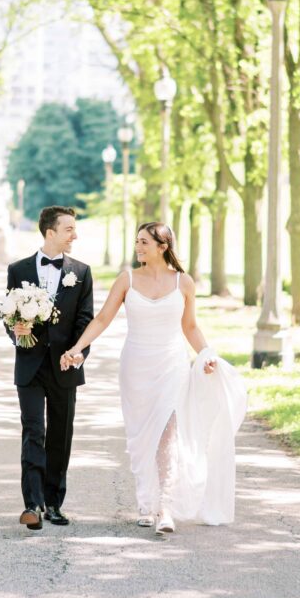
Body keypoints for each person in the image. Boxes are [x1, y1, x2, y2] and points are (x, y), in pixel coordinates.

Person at [61, 221, 247, 535]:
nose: (138, 247)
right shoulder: (127, 279)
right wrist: (77, 348)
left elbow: (190, 326)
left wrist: (206, 353)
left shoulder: (183, 282)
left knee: (167, 437)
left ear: (163, 246)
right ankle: (146, 503)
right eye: (137, 241)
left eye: (144, 242)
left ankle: (165, 507)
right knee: (140, 438)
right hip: (136, 367)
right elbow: (103, 318)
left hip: (172, 365)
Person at [6, 206, 94, 531]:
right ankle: (32, 505)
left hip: (65, 365)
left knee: (60, 433)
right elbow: (10, 314)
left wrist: (78, 353)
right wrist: (16, 331)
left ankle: (54, 503)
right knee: (33, 431)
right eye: (69, 229)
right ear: (50, 232)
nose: (75, 235)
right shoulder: (18, 269)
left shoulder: (81, 272)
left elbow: (85, 320)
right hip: (29, 365)